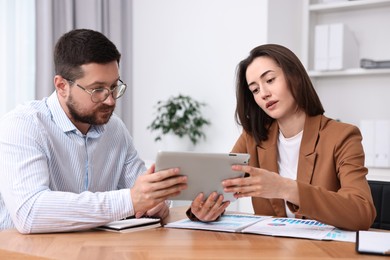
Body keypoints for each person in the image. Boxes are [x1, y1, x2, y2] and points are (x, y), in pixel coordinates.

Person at [0, 29, 187, 234]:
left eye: (114, 87)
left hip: (95, 249)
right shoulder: (22, 126)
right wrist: (130, 200)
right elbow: (30, 212)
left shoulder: (115, 129)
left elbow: (144, 192)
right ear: (62, 86)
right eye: (97, 89)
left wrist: (156, 202)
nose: (110, 100)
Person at [187, 44, 376, 231]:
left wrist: (286, 188)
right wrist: (204, 210)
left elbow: (361, 213)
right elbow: (220, 189)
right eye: (255, 90)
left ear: (294, 76)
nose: (264, 94)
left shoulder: (342, 136)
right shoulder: (252, 138)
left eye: (269, 80)